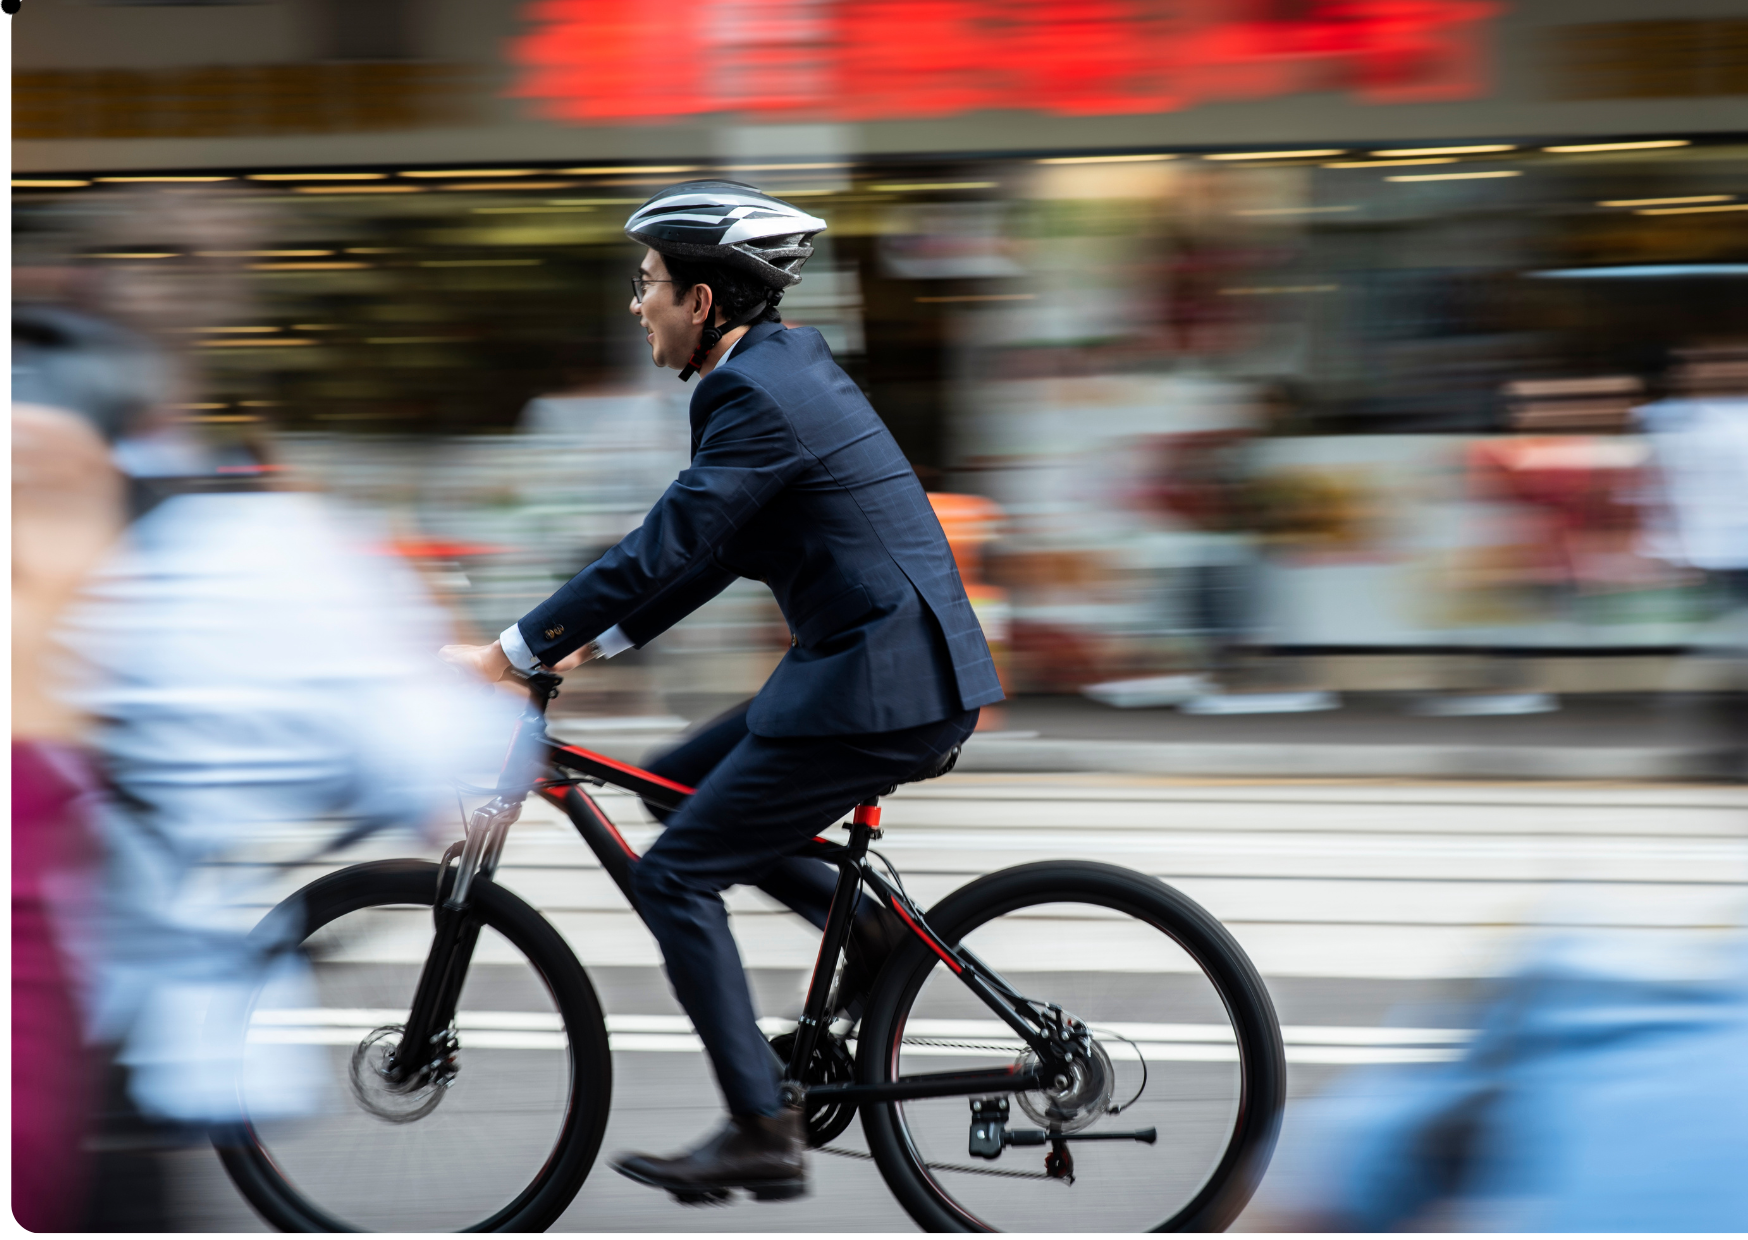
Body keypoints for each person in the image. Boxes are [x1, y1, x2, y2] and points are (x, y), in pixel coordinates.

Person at [441, 181, 1003, 1203]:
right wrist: (577, 649)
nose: (635, 303)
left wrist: (509, 653)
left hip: (880, 682)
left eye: (647, 283)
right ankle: (870, 940)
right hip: (875, 668)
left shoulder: (749, 394)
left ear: (702, 301)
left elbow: (666, 540)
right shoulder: (777, 372)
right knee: (672, 787)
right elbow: (708, 552)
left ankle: (759, 1127)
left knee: (671, 877)